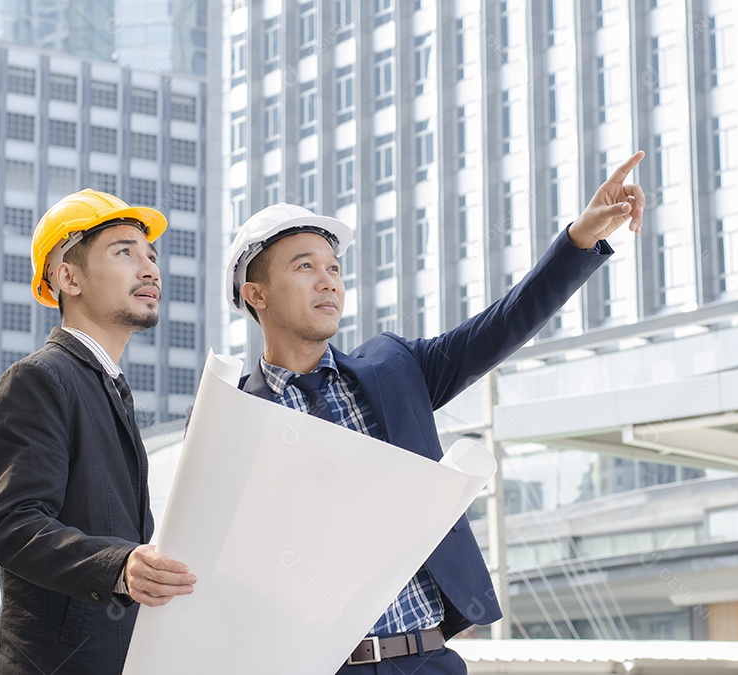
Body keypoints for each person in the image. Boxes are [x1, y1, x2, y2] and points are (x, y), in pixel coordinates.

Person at [225, 152, 646, 673]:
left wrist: (578, 241)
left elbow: (502, 324)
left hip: (425, 658)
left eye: (333, 268)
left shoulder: (395, 369)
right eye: (305, 266)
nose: (328, 280)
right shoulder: (236, 418)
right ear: (255, 293)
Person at [0, 189, 197, 674]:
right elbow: (12, 524)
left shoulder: (107, 388)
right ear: (68, 277)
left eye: (151, 255)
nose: (149, 269)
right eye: (124, 252)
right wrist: (119, 565)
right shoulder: (38, 380)